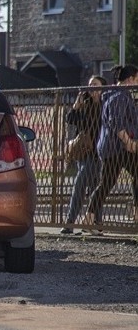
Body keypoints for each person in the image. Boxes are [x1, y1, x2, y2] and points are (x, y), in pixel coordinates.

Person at [85, 64, 138, 235]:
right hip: (118, 148)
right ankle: (89, 218)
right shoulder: (120, 96)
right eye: (137, 79)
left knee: (106, 183)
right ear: (130, 79)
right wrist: (128, 142)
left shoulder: (114, 95)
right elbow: (116, 121)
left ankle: (89, 218)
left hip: (112, 148)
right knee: (106, 183)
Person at [61, 75, 106, 234]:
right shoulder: (84, 104)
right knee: (95, 187)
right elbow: (70, 120)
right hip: (83, 152)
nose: (92, 87)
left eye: (95, 84)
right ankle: (97, 222)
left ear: (102, 88)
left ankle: (70, 222)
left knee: (80, 185)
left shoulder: (105, 104)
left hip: (98, 153)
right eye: (90, 84)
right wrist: (76, 106)